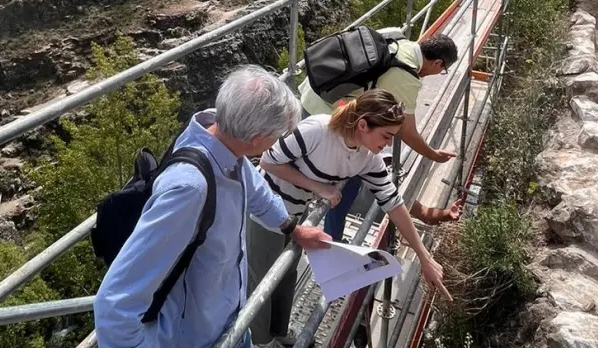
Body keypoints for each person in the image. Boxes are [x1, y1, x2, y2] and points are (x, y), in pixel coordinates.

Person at [93, 65, 331, 348]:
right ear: (256, 139)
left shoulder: (221, 137)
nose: (277, 143)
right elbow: (114, 305)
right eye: (276, 136)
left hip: (231, 321)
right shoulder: (189, 190)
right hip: (198, 338)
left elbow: (255, 190)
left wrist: (293, 228)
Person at [247, 90, 453, 347]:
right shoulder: (317, 130)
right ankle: (261, 342)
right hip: (266, 209)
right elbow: (268, 162)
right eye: (386, 136)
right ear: (363, 125)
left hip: (297, 213)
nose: (388, 144)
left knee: (287, 273)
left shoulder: (366, 158)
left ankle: (279, 331)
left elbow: (394, 203)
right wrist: (318, 186)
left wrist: (425, 258)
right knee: (262, 281)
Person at [298, 29, 461, 241]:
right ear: (438, 63)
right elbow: (408, 132)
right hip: (328, 114)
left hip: (313, 92)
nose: (439, 74)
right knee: (347, 184)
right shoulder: (406, 76)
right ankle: (331, 244)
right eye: (443, 70)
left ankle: (305, 223)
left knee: (305, 171)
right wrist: (433, 155)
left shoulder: (396, 38)